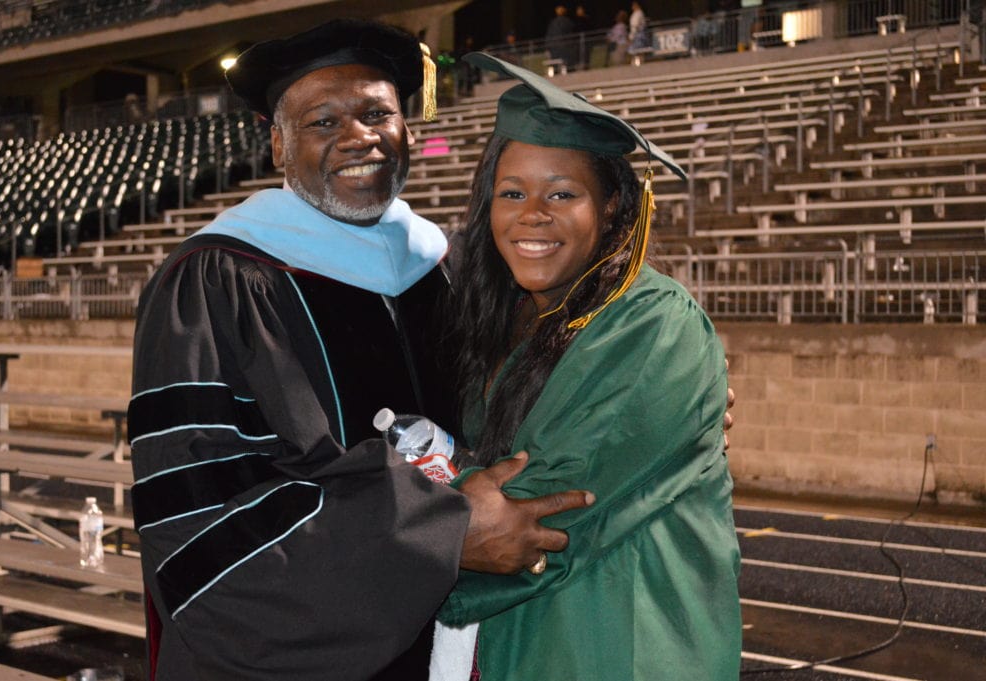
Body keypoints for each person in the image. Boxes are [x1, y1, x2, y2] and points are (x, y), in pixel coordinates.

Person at [127, 20, 593, 681]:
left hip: (453, 648)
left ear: (407, 129)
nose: (359, 136)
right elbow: (206, 532)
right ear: (278, 146)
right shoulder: (216, 281)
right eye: (323, 121)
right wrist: (444, 536)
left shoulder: (450, 266)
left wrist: (669, 395)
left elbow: (534, 401)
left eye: (379, 113)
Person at [431, 52, 742, 681]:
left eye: (563, 193)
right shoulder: (505, 323)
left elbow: (533, 513)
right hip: (518, 649)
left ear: (611, 210)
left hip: (618, 646)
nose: (532, 213)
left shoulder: (653, 324)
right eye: (511, 192)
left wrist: (397, 532)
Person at [544, 5, 577, 70]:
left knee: (565, 64)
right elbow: (549, 35)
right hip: (556, 48)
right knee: (555, 65)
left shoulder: (567, 22)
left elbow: (571, 34)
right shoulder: (554, 23)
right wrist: (547, 47)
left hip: (564, 48)